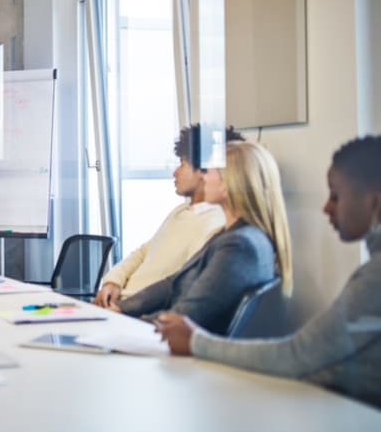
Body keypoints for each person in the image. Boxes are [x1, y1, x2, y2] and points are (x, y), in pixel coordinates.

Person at [156, 136, 381, 409]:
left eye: (335, 195)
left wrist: (196, 343)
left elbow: (298, 355)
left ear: (375, 202)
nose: (326, 208)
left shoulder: (374, 278)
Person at [114, 140, 293, 335]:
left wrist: (127, 323)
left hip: (184, 352)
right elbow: (173, 284)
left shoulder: (239, 246)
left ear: (228, 184)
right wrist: (121, 309)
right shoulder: (231, 235)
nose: (203, 178)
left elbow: (188, 314)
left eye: (209, 172)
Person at [94, 125, 244, 308]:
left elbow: (179, 285)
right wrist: (113, 281)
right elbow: (145, 251)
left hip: (136, 312)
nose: (175, 172)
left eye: (182, 163)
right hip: (118, 303)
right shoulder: (181, 211)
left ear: (204, 171)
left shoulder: (214, 225)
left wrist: (122, 309)